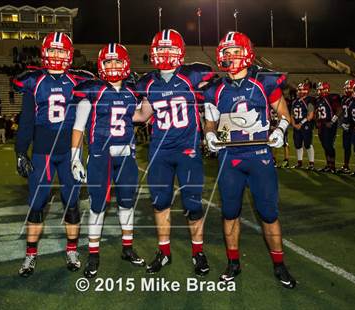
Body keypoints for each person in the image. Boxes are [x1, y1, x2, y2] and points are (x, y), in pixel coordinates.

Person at [203, 31, 296, 288]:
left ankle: (279, 265)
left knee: (268, 213)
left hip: (259, 157)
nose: (230, 57)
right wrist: (209, 135)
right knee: (230, 213)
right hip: (229, 157)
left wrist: (280, 130)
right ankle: (233, 263)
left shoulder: (263, 82)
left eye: (236, 51)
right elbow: (210, 121)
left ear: (247, 53)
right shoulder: (215, 89)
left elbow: (284, 114)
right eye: (227, 52)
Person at [133, 29, 215, 276]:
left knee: (193, 205)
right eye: (160, 49)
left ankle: (198, 252)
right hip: (160, 151)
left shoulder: (192, 75)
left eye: (169, 49)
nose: (164, 53)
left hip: (187, 149)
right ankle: (164, 252)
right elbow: (143, 115)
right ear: (153, 52)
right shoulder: (147, 82)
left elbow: (212, 97)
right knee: (160, 204)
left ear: (180, 52)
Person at [13, 32, 94, 277]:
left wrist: (93, 151)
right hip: (42, 151)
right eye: (53, 50)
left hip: (71, 151)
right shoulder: (34, 80)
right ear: (45, 53)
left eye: (61, 51)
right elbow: (26, 120)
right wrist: (20, 151)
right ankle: (30, 254)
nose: (57, 55)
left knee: (71, 203)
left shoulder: (79, 81)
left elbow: (87, 120)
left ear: (69, 55)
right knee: (37, 205)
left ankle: (71, 250)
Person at [71, 43, 145, 278]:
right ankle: (93, 255)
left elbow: (140, 116)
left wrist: (154, 102)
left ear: (125, 65)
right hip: (100, 156)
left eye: (117, 62)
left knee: (126, 203)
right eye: (108, 62)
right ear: (101, 66)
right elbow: (78, 127)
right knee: (97, 206)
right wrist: (75, 158)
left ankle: (127, 248)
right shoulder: (92, 90)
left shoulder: (132, 91)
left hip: (125, 155)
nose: (113, 66)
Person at [314, 82, 341, 173]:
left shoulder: (331, 98)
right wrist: (317, 122)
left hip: (329, 125)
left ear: (325, 90)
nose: (318, 91)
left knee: (329, 145)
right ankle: (328, 165)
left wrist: (332, 121)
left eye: (320, 89)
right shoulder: (318, 100)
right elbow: (317, 112)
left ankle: (332, 166)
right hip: (322, 126)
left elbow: (339, 110)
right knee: (325, 145)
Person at [290, 83, 315, 169]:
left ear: (306, 91)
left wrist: (300, 124)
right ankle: (299, 162)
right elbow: (292, 115)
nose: (299, 91)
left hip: (306, 125)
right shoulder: (295, 101)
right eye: (298, 90)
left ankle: (311, 163)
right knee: (297, 144)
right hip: (296, 126)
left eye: (300, 90)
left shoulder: (309, 100)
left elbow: (310, 115)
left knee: (307, 144)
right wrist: (294, 124)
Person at [338, 80, 355, 174]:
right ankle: (346, 166)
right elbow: (341, 110)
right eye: (346, 87)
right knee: (346, 147)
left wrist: (352, 124)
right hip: (346, 127)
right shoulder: (344, 98)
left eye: (348, 87)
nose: (346, 89)